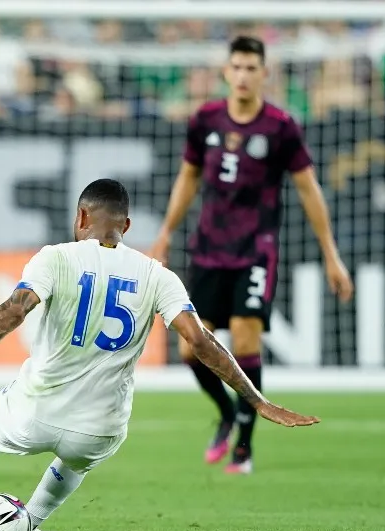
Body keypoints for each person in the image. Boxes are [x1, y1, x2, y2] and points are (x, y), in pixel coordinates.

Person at [0, 178, 319, 531]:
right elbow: (200, 341)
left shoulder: (56, 257)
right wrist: (256, 400)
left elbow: (15, 309)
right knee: (78, 457)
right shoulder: (157, 274)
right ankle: (29, 526)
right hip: (101, 428)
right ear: (126, 225)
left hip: (35, 411)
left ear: (81, 217)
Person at [150, 37, 352, 474]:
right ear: (227, 72)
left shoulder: (280, 126)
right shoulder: (205, 119)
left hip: (255, 249)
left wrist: (331, 255)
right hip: (207, 248)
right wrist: (165, 233)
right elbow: (188, 179)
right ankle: (227, 412)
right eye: (236, 67)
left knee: (244, 338)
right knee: (191, 350)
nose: (243, 75)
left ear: (264, 73)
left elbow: (308, 190)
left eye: (251, 68)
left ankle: (244, 445)